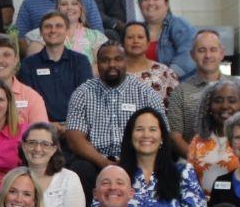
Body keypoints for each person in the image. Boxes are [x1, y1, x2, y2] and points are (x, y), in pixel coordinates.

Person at [64, 42, 166, 195]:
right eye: (105, 60)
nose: (112, 64)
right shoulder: (83, 93)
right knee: (80, 169)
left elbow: (163, 133)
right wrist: (104, 163)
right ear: (97, 64)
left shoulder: (145, 93)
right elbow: (74, 139)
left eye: (118, 59)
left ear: (126, 61)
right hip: (94, 161)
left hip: (136, 158)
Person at [118, 106, 206, 207]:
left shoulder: (183, 172)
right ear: (130, 137)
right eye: (139, 129)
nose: (146, 135)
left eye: (152, 129)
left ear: (162, 137)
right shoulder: (116, 174)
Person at [19, 11, 94, 123]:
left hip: (76, 127)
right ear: (41, 32)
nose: (53, 30)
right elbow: (28, 100)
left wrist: (71, 126)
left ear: (67, 31)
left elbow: (86, 98)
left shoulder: (81, 61)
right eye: (48, 26)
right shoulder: (28, 64)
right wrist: (48, 124)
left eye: (58, 26)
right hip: (40, 126)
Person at [19, 122, 87, 207]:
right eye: (32, 143)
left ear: (54, 149)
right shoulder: (15, 178)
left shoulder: (69, 179)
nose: (37, 149)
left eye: (45, 144)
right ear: (24, 146)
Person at [173, 29, 230, 143]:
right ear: (192, 55)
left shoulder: (239, 88)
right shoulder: (180, 92)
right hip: (191, 158)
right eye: (201, 50)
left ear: (222, 53)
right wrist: (198, 159)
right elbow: (174, 136)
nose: (208, 55)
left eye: (213, 50)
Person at [26, 0, 104, 64]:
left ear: (81, 9)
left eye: (74, 4)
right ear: (57, 9)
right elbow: (34, 66)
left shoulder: (95, 37)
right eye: (64, 4)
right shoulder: (43, 33)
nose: (69, 7)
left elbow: (101, 67)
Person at [121, 21, 181, 111]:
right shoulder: (116, 73)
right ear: (122, 43)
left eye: (140, 37)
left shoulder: (165, 73)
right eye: (130, 37)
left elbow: (177, 109)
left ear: (148, 42)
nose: (135, 41)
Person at [139, 0, 196, 77]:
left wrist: (166, 78)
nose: (150, 3)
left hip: (177, 87)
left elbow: (189, 54)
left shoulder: (179, 24)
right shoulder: (137, 29)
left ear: (166, 4)